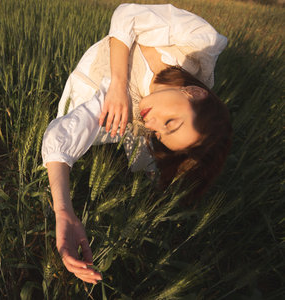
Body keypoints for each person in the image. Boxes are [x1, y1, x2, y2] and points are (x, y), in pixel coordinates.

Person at [41, 3, 232, 284]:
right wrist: (118, 84)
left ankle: (154, 179)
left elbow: (59, 138)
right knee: (102, 125)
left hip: (131, 95)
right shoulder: (200, 43)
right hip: (95, 80)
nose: (153, 126)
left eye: (163, 134)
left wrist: (64, 212)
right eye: (171, 123)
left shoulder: (146, 115)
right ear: (193, 91)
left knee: (146, 160)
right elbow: (126, 13)